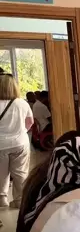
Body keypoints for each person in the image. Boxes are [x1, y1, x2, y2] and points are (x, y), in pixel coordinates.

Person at [0, 74, 34, 209]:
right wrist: (20, 131)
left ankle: (2, 199)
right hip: (20, 142)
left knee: (1, 173)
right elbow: (30, 122)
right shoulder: (22, 103)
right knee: (20, 172)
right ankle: (19, 200)